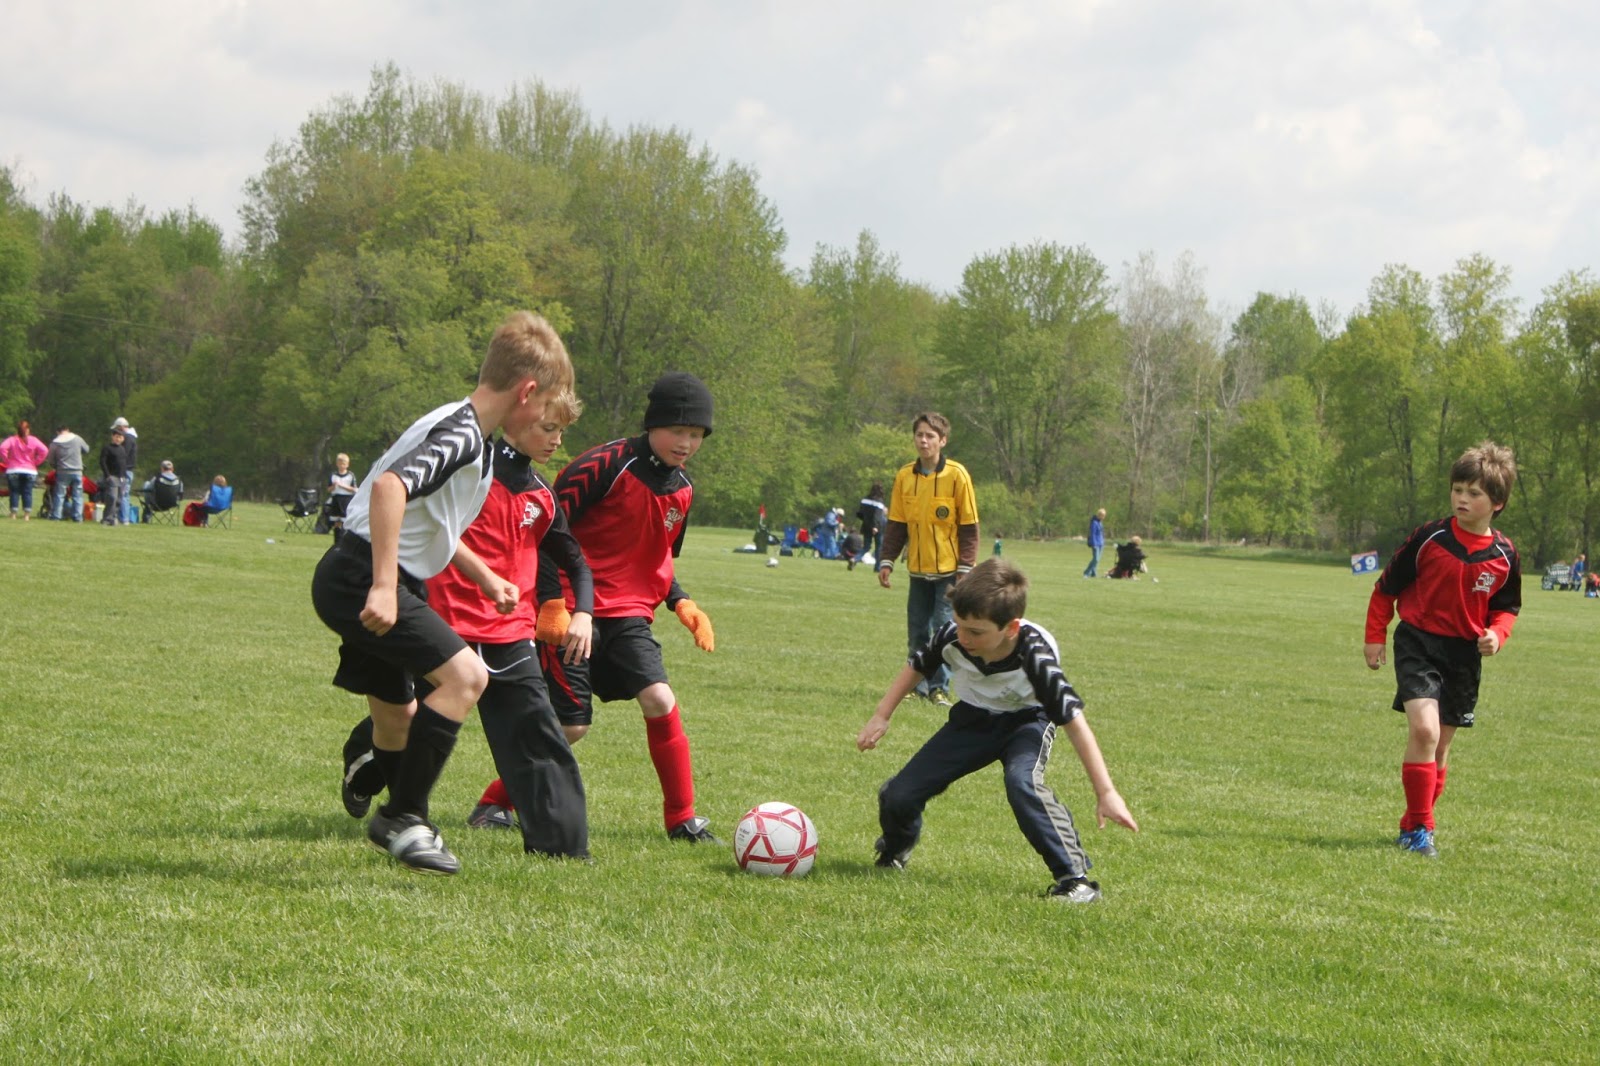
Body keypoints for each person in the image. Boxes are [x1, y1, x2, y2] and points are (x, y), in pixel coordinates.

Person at [310, 309, 575, 874]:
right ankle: (403, 817)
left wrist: (485, 577)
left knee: (397, 717)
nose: (546, 418)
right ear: (528, 392)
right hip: (363, 575)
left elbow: (429, 523)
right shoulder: (463, 435)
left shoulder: (465, 429)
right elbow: (389, 489)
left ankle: (398, 808)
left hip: (361, 572)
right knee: (466, 677)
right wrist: (384, 585)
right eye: (547, 405)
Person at [472, 370, 722, 845]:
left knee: (660, 700)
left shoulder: (683, 489)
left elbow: (656, 557)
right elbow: (547, 532)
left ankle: (682, 819)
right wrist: (551, 603)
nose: (686, 443)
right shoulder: (602, 466)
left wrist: (681, 602)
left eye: (696, 435)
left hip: (628, 614)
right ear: (653, 424)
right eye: (678, 431)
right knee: (571, 726)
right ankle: (493, 803)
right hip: (573, 610)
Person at [341, 394, 595, 860]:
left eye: (562, 431)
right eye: (547, 428)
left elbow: (574, 560)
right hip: (444, 624)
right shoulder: (468, 471)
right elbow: (415, 520)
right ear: (516, 418)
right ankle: (364, 764)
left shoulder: (541, 494)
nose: (557, 441)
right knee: (402, 720)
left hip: (510, 632)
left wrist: (583, 612)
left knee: (536, 733)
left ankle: (560, 848)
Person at [857, 558, 1138, 902]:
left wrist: (1106, 792)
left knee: (1023, 784)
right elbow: (917, 665)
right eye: (959, 625)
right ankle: (894, 853)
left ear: (1011, 628)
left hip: (1027, 723)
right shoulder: (952, 635)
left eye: (976, 632)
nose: (963, 637)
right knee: (899, 795)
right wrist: (881, 715)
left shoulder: (1036, 657)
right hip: (973, 720)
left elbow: (1076, 725)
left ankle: (1075, 881)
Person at [1364, 441, 1522, 859]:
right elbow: (1385, 589)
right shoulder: (1429, 537)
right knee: (1425, 731)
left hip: (1463, 656)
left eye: (1474, 493)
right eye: (1457, 490)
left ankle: (1412, 823)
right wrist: (1374, 636)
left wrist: (1497, 635)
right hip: (1418, 643)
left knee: (1440, 747)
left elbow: (1507, 609)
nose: (1462, 499)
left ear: (1498, 503)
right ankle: (1423, 829)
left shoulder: (1505, 555)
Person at [877, 412, 980, 706]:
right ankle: (917, 686)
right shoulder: (904, 476)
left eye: (930, 436)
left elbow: (969, 526)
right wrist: (887, 560)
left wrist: (965, 569)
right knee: (918, 632)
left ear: (942, 441)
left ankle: (939, 688)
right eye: (919, 435)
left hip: (949, 571)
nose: (923, 441)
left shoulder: (957, 475)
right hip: (918, 570)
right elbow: (897, 524)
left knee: (944, 629)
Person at [2, 420, 50, 520]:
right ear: (28, 430)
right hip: (29, 470)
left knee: (14, 492)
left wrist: (7, 461)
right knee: (27, 492)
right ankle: (26, 515)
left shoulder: (12, 439)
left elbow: (2, 448)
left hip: (14, 469)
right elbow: (45, 450)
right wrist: (36, 462)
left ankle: (13, 514)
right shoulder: (33, 440)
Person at [46, 424, 91, 521]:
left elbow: (51, 460)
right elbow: (86, 449)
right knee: (77, 495)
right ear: (68, 430)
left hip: (62, 471)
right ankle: (77, 517)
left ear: (58, 432)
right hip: (77, 470)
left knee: (60, 494)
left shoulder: (55, 443)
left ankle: (56, 516)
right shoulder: (77, 438)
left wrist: (56, 466)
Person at [323, 453, 358, 542]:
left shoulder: (350, 475)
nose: (342, 466)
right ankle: (337, 542)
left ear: (347, 465)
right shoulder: (333, 475)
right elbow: (329, 489)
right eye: (340, 464)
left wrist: (343, 486)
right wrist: (334, 486)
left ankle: (344, 541)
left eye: (343, 464)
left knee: (344, 521)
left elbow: (354, 489)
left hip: (346, 499)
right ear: (337, 464)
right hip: (336, 499)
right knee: (336, 521)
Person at [98, 428, 130, 526]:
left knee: (119, 500)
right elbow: (102, 462)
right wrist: (107, 475)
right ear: (112, 437)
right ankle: (107, 518)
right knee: (112, 498)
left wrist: (124, 476)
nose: (118, 439)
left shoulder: (122, 449)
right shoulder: (107, 448)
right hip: (112, 477)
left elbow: (123, 463)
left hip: (122, 478)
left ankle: (113, 518)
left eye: (120, 437)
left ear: (123, 439)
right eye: (116, 437)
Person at [111, 417, 138, 525]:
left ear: (121, 427)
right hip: (128, 470)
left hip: (125, 470)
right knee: (123, 494)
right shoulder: (131, 437)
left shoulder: (127, 438)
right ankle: (123, 518)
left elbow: (123, 454)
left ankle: (124, 518)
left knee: (122, 495)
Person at [857, 483, 887, 562]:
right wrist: (875, 526)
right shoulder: (879, 501)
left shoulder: (865, 499)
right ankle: (877, 566)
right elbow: (877, 515)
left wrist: (865, 521)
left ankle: (855, 559)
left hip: (866, 525)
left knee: (866, 547)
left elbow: (860, 513)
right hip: (877, 527)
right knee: (879, 547)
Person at [1084, 508, 1107, 578]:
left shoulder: (1100, 523)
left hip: (1101, 543)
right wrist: (1094, 544)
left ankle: (1093, 573)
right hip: (1096, 544)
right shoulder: (1094, 523)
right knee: (1096, 559)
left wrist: (1103, 541)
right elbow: (1093, 534)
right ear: (1099, 515)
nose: (1103, 517)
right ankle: (1086, 572)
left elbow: (1101, 533)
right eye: (1103, 516)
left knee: (1097, 560)